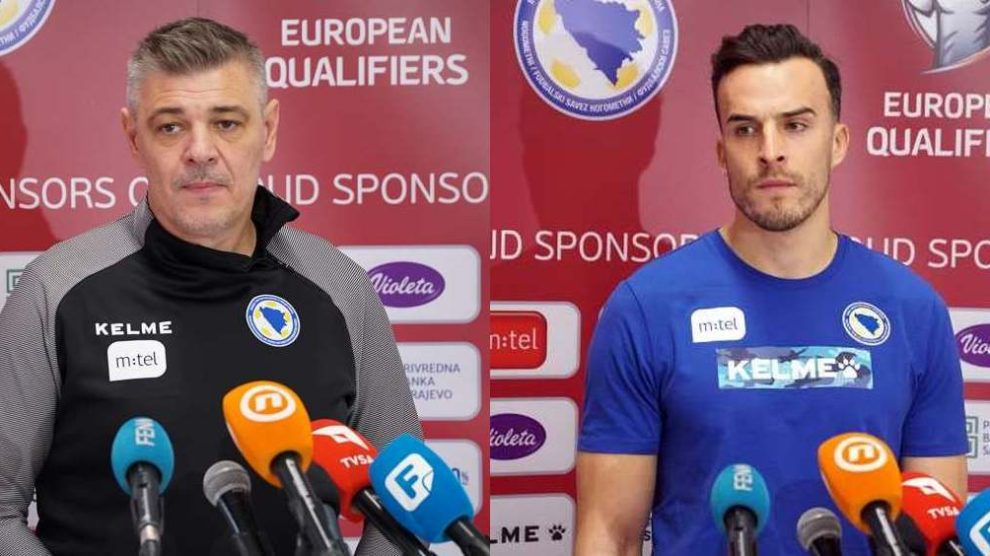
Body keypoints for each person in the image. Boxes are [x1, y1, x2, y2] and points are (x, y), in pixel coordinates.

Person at [0, 17, 421, 555]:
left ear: (268, 130)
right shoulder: (56, 290)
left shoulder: (339, 287)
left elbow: (402, 495)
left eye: (226, 123)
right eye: (170, 127)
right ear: (134, 137)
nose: (200, 150)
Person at [574, 23, 967, 555]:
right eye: (745, 129)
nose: (771, 151)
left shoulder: (915, 311)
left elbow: (937, 535)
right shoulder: (645, 309)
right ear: (721, 152)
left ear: (838, 142)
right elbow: (610, 536)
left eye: (795, 125)